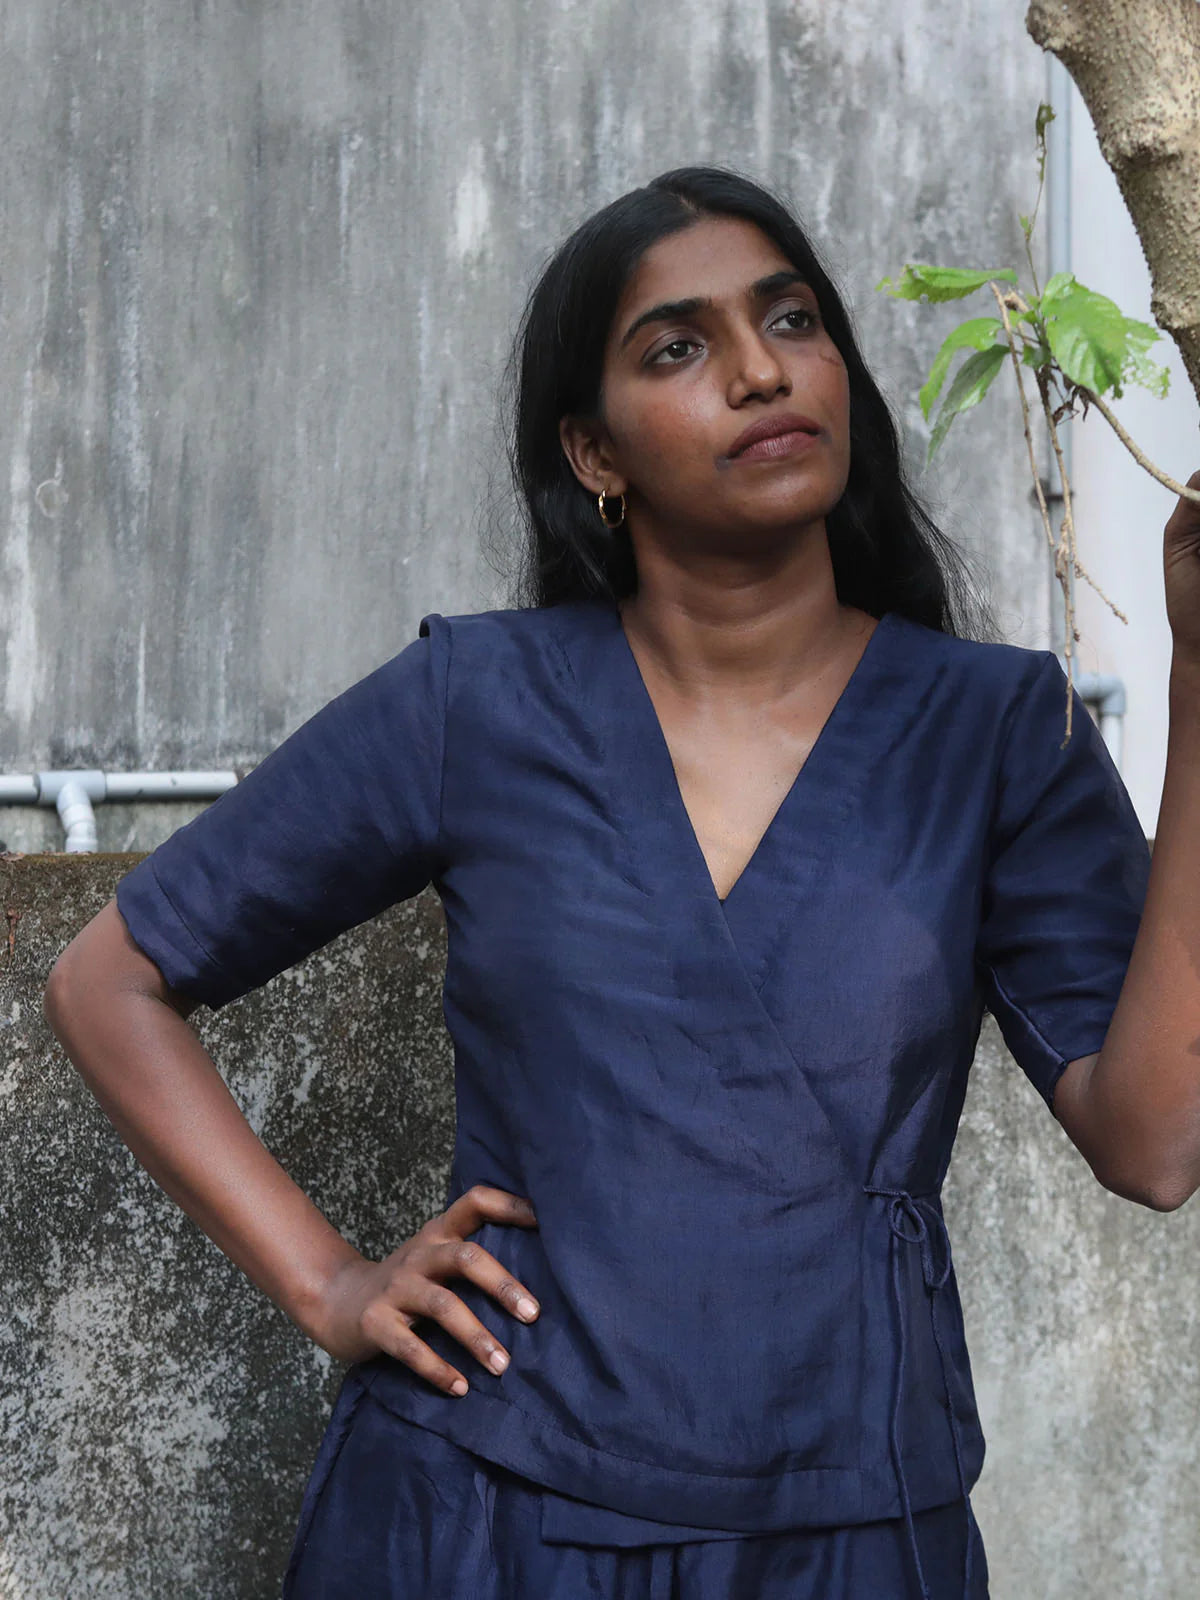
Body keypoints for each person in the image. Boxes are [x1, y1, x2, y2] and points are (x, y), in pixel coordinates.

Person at [43, 166, 1200, 1600]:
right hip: (483, 1517)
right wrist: (330, 1284)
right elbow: (111, 978)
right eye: (681, 346)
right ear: (594, 452)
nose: (761, 369)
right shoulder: (481, 703)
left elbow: (1156, 1144)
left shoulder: (994, 730)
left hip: (844, 1531)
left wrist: (1197, 675)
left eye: (793, 320)